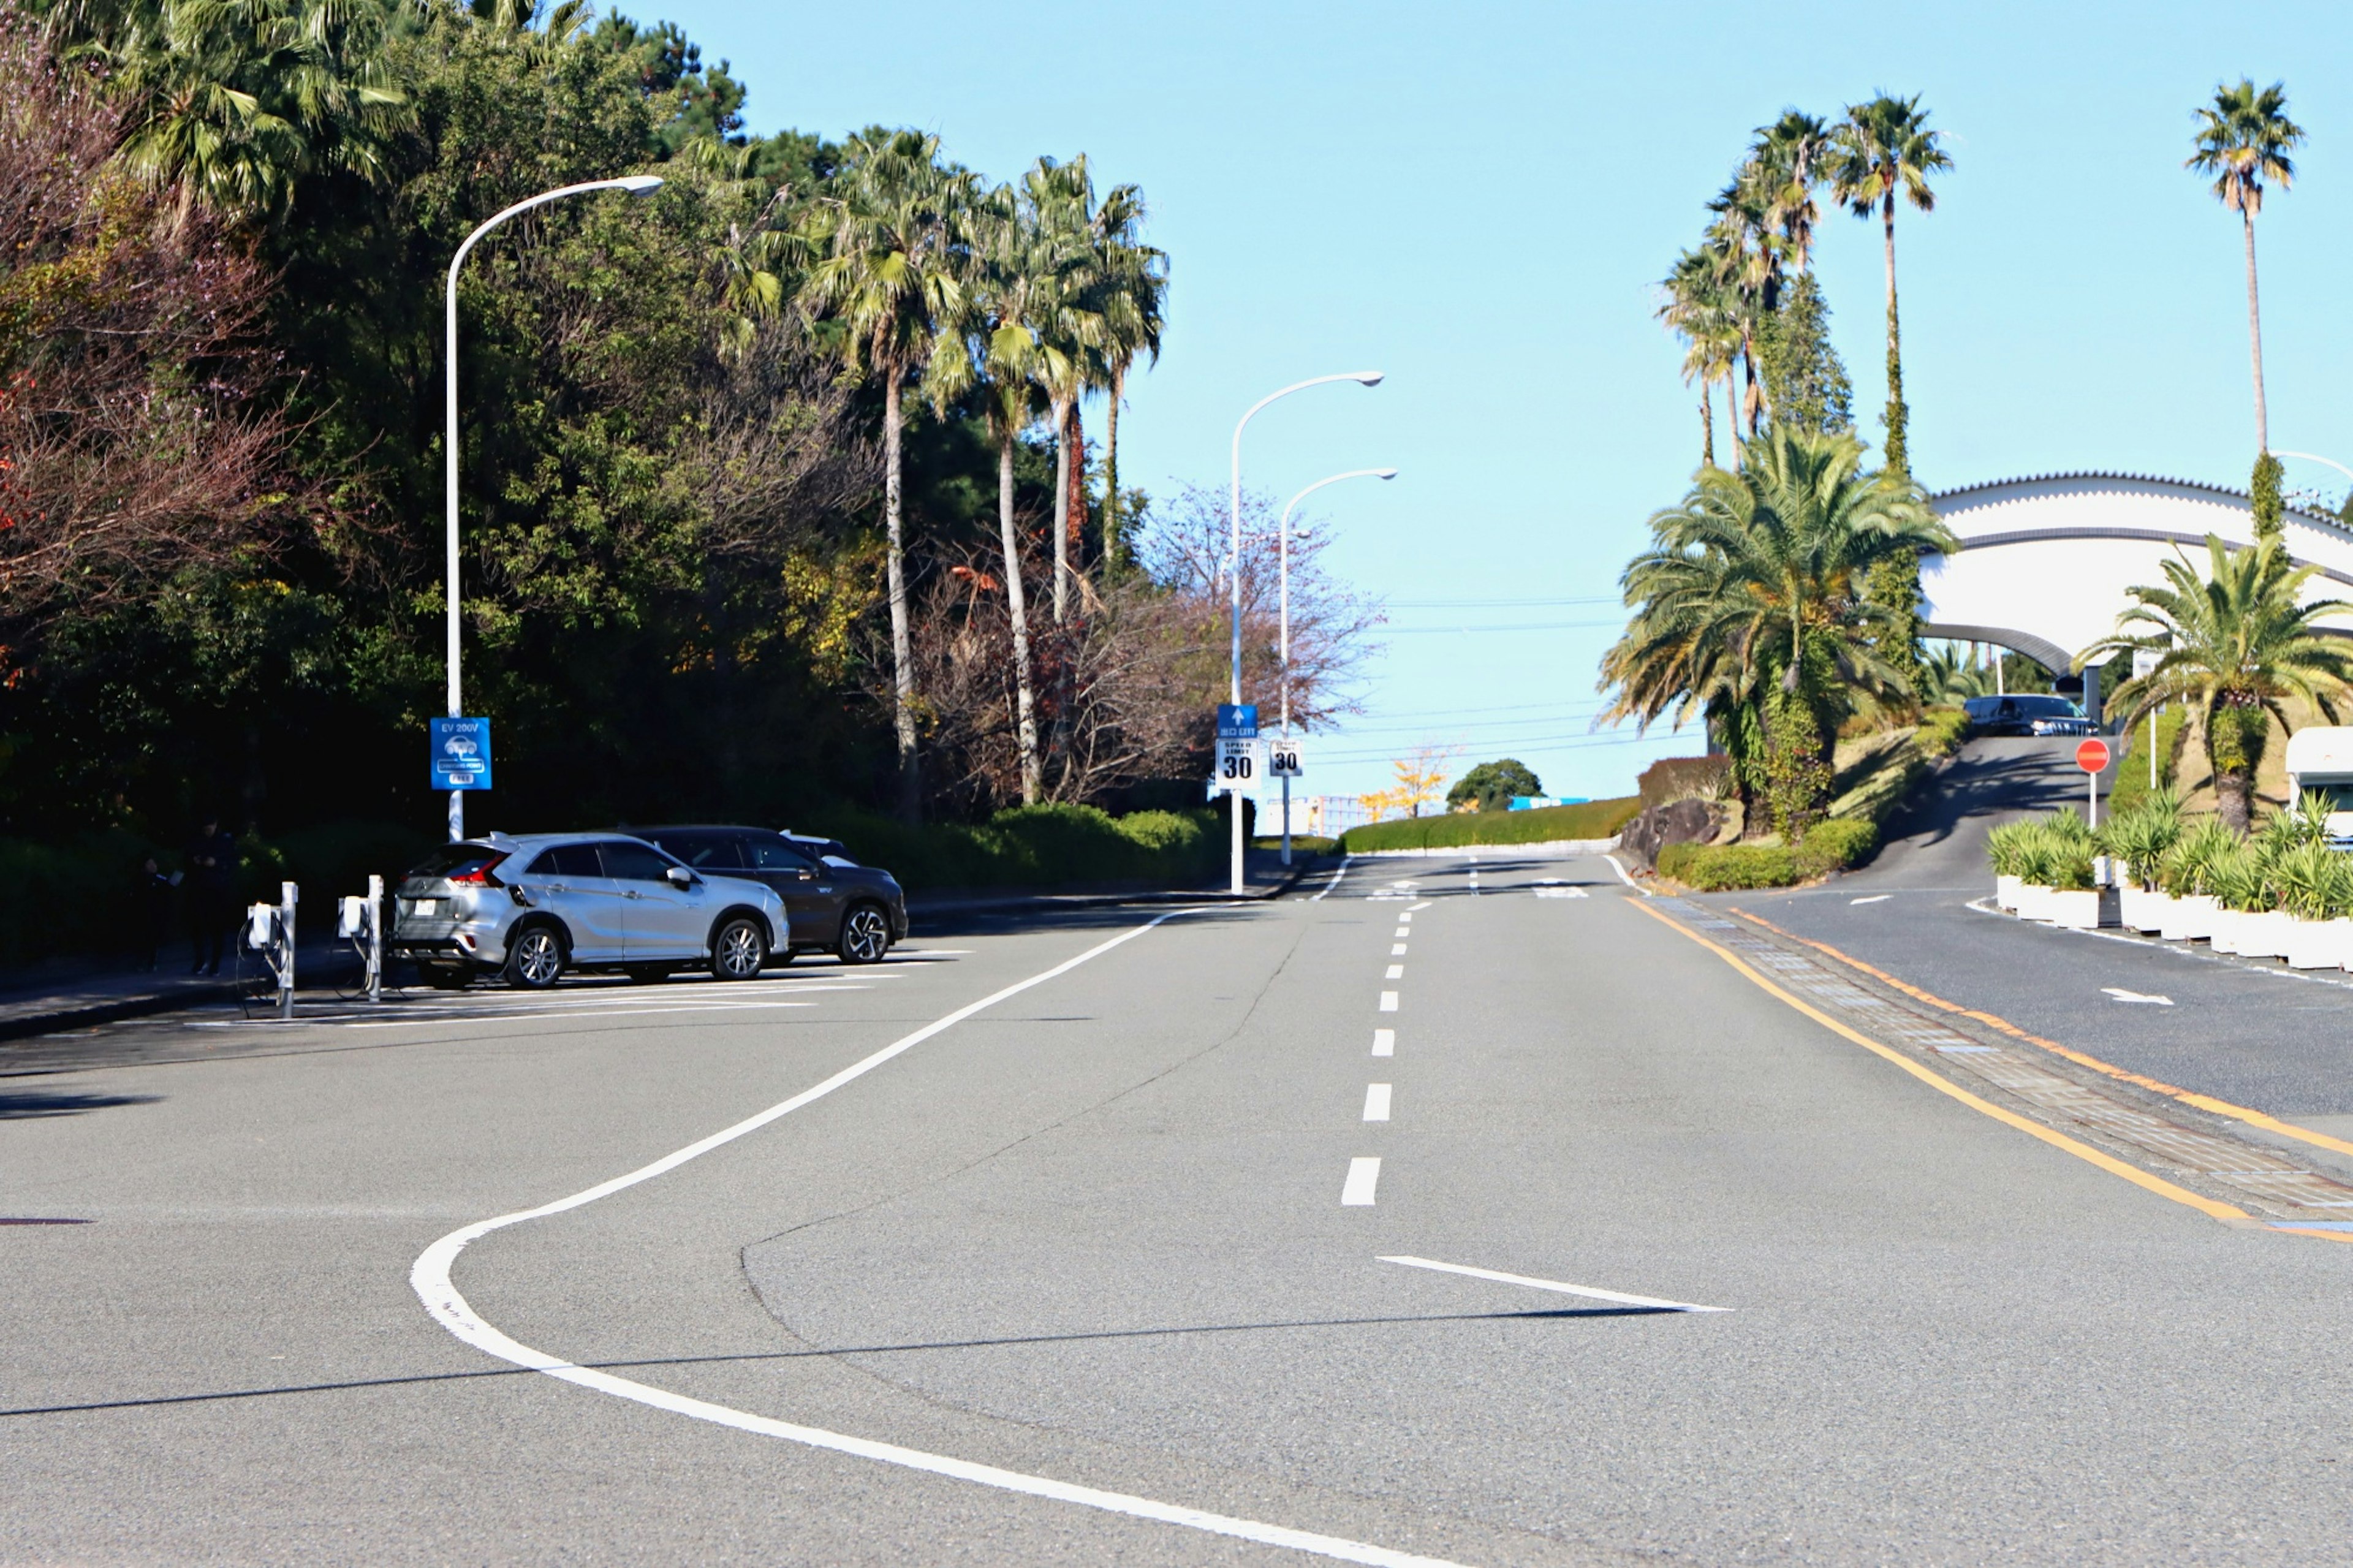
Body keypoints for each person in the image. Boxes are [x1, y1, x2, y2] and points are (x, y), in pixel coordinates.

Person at [182, 817, 236, 977]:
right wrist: (195, 860)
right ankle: (200, 960)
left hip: (218, 889)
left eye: (210, 827)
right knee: (197, 927)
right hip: (199, 888)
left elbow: (233, 861)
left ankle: (215, 963)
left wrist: (217, 863)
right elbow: (187, 859)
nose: (208, 831)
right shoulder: (197, 841)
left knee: (217, 928)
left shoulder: (224, 841)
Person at [134, 855, 175, 972]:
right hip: (144, 914)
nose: (153, 866)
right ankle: (140, 962)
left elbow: (171, 886)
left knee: (154, 939)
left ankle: (151, 963)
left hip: (157, 914)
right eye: (149, 864)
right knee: (143, 938)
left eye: (154, 864)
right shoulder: (140, 879)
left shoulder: (160, 878)